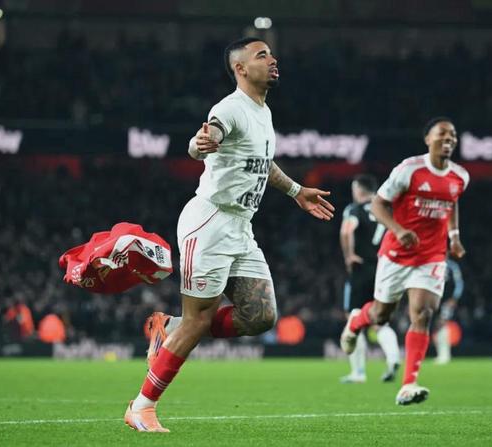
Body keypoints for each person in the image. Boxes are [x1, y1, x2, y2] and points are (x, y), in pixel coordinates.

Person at [124, 37, 335, 433]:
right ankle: (141, 407)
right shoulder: (230, 108)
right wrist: (200, 144)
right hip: (210, 222)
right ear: (240, 68)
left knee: (260, 315)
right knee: (199, 321)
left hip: (240, 227)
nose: (273, 59)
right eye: (262, 55)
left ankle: (170, 328)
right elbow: (206, 139)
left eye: (271, 53)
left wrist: (296, 191)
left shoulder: (262, 112)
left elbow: (263, 163)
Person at [340, 117, 469, 405]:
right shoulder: (409, 170)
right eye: (442, 133)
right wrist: (398, 230)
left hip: (432, 256)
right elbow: (378, 204)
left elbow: (452, 202)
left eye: (453, 135)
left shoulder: (460, 176)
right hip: (396, 254)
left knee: (423, 313)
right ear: (428, 139)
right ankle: (356, 322)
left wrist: (454, 237)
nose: (449, 138)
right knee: (381, 315)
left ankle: (408, 384)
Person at [339, 174, 400, 384]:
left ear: (358, 189)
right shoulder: (386, 209)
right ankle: (393, 359)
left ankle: (358, 372)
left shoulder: (354, 209)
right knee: (380, 320)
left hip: (362, 268)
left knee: (353, 317)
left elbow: (346, 231)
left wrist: (349, 256)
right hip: (385, 269)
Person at [433, 258, 464, 365]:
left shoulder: (452, 266)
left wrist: (454, 298)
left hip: (447, 301)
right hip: (435, 299)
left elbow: (459, 283)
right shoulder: (432, 263)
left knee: (443, 324)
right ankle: (440, 354)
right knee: (436, 326)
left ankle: (445, 355)